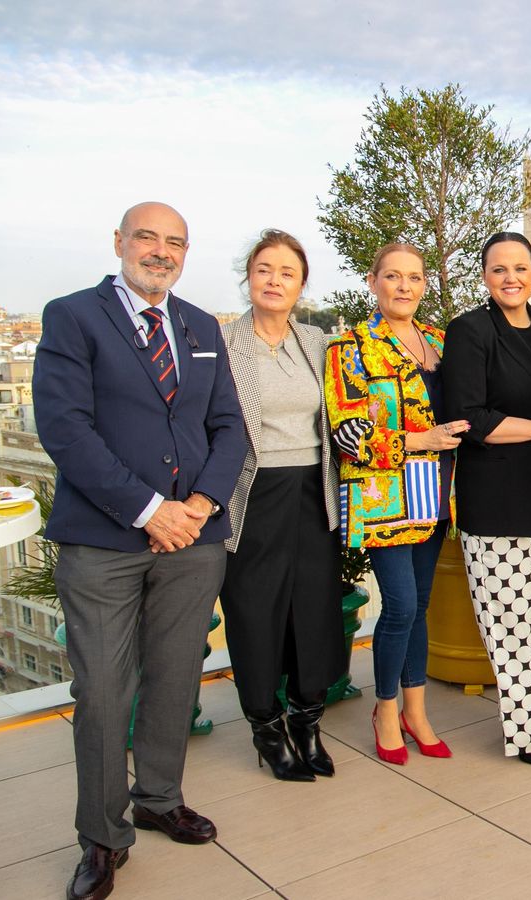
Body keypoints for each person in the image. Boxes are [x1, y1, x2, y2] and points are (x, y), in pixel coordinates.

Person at [34, 201, 246, 900]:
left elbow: (228, 426)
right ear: (119, 242)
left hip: (194, 538)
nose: (161, 251)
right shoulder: (73, 316)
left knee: (176, 675)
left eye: (175, 242)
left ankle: (158, 797)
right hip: (105, 541)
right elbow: (65, 429)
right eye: (147, 237)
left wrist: (202, 505)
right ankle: (102, 837)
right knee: (100, 692)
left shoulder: (199, 325)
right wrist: (150, 510)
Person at [325, 243, 468, 767]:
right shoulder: (350, 349)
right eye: (392, 276)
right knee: (401, 607)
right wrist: (420, 441)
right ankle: (386, 711)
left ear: (424, 284)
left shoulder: (441, 342)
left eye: (413, 277)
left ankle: (417, 710)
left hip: (438, 495)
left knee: (420, 608)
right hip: (385, 499)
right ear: (373, 281)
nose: (403, 286)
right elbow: (349, 437)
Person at [442, 232, 531, 768]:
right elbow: (469, 417)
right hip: (497, 492)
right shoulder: (470, 331)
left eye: (520, 267)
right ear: (484, 276)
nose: (511, 277)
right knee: (508, 612)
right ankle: (526, 734)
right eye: (499, 269)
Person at [220, 229, 345, 782]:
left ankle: (307, 720)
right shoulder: (223, 342)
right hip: (252, 491)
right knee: (255, 612)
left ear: (301, 283)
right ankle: (266, 726)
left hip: (314, 490)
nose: (275, 281)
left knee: (314, 612)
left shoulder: (317, 342)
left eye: (286, 272)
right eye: (264, 269)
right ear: (249, 277)